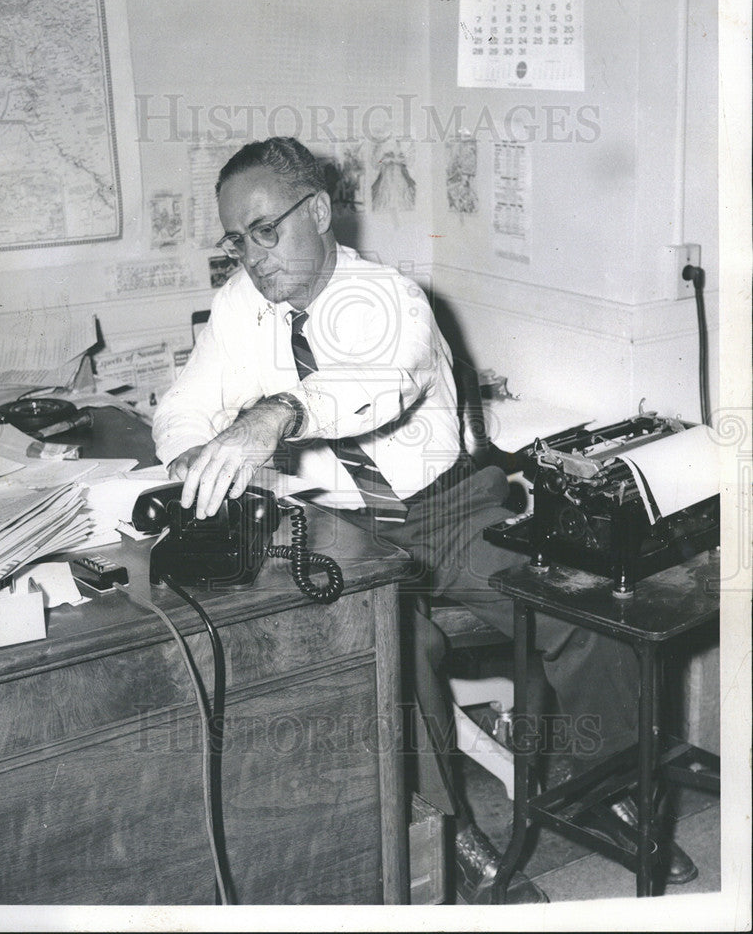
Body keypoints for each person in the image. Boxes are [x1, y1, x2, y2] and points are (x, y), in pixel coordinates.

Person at [152, 136, 697, 903]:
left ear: (317, 212)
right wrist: (190, 457)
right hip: (340, 527)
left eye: (264, 230)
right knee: (388, 645)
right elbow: (182, 405)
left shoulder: (391, 298)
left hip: (450, 506)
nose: (250, 255)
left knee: (586, 608)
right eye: (236, 240)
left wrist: (275, 412)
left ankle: (601, 785)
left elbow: (371, 389)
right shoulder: (244, 305)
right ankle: (449, 834)